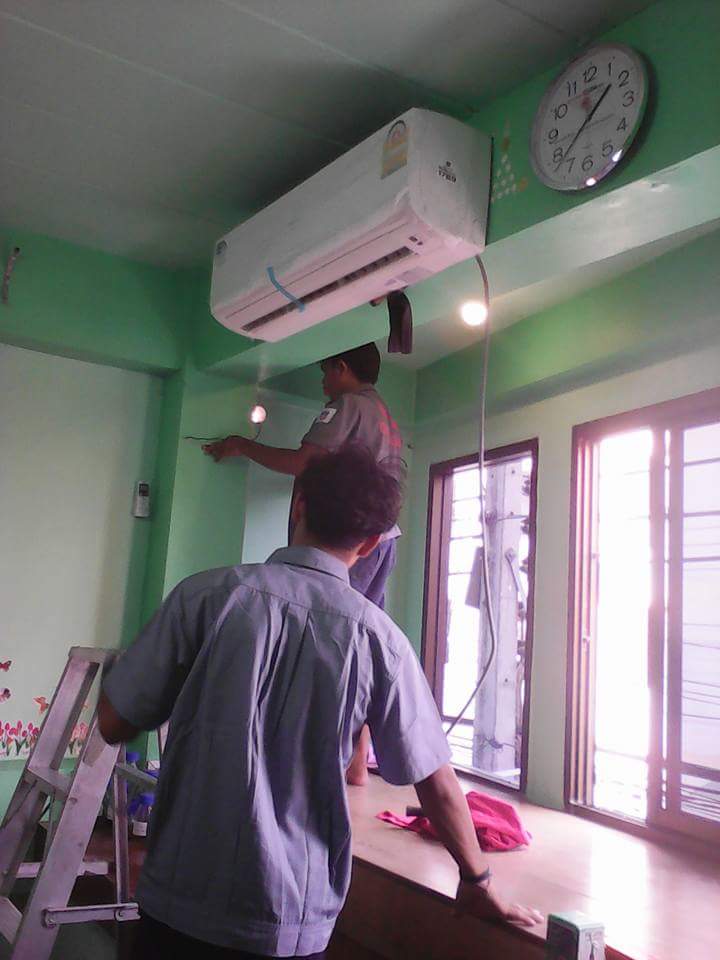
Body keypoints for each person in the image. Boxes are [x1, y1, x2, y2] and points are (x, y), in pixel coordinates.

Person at [99, 447, 541, 960]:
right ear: (371, 543)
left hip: (179, 899)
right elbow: (436, 781)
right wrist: (478, 880)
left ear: (299, 505)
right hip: (289, 920)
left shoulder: (204, 597)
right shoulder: (381, 641)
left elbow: (114, 723)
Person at [203, 342, 404, 784]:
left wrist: (241, 445)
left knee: (327, 643)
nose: (323, 383)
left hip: (348, 542)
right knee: (360, 643)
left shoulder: (347, 405)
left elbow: (305, 462)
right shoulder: (383, 414)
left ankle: (320, 758)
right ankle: (357, 761)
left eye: (326, 372)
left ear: (341, 366)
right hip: (379, 539)